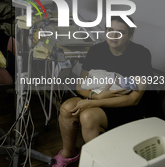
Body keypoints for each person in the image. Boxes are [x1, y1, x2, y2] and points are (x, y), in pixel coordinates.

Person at [51, 16, 163, 167]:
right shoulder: (96, 50)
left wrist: (94, 102)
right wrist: (95, 96)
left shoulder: (140, 54)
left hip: (130, 107)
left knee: (88, 116)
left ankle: (103, 162)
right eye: (110, 30)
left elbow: (134, 99)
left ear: (130, 35)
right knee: (66, 108)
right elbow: (80, 86)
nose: (113, 36)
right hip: (100, 96)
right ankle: (68, 155)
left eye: (121, 32)